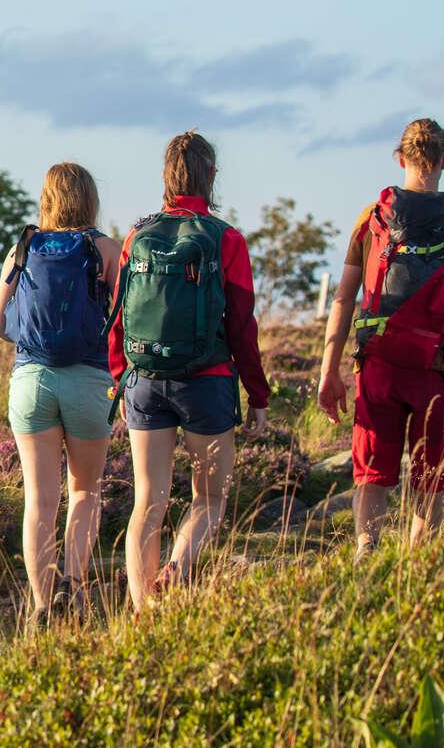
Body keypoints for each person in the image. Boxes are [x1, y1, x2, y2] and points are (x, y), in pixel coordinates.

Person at [107, 131, 269, 610]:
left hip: (144, 380)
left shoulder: (137, 235)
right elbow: (242, 323)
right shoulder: (227, 239)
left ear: (166, 178)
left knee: (147, 503)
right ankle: (177, 568)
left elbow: (118, 314)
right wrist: (257, 394)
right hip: (208, 381)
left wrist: (121, 375)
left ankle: (142, 614)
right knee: (209, 500)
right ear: (211, 176)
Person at [317, 118, 444, 556]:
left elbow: (343, 299)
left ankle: (365, 550)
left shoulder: (373, 218)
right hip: (436, 367)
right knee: (431, 476)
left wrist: (328, 371)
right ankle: (419, 561)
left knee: (372, 470)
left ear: (401, 158)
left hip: (378, 365)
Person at [0, 162, 120, 624]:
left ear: (47, 198)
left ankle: (43, 606)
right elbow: (121, 322)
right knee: (84, 491)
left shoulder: (21, 247)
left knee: (39, 500)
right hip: (89, 381)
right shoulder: (105, 248)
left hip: (31, 381)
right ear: (89, 198)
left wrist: (33, 345)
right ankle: (75, 590)